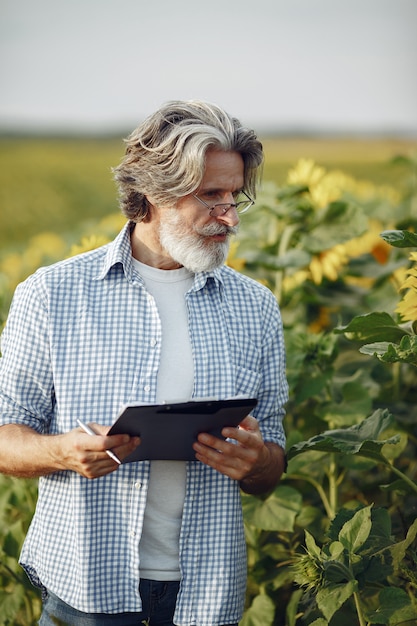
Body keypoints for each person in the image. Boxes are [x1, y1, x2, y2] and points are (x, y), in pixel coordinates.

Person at [0, 100, 288, 626]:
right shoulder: (52, 294)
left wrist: (258, 463)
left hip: (206, 595)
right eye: (211, 196)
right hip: (85, 591)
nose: (231, 215)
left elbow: (273, 458)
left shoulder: (256, 305)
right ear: (153, 192)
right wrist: (64, 453)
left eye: (235, 195)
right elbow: (3, 435)